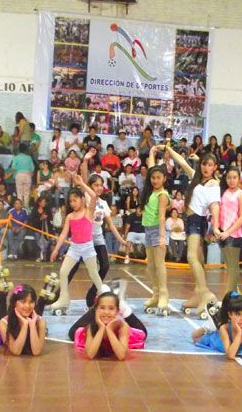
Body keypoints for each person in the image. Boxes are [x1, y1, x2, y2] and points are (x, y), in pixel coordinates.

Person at [161, 145, 220, 317]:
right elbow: (181, 161)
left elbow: (215, 206)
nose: (206, 168)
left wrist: (216, 226)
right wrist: (167, 148)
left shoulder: (213, 183)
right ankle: (197, 294)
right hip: (191, 221)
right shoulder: (196, 178)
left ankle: (206, 294)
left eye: (210, 165)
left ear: (215, 167)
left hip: (197, 221)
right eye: (204, 164)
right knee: (199, 261)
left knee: (191, 257)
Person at [65, 149, 128, 306]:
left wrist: (122, 240)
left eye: (101, 185)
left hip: (98, 238)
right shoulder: (87, 197)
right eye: (96, 185)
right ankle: (60, 295)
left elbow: (110, 224)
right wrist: (86, 160)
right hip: (83, 238)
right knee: (72, 268)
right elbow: (84, 177)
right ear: (90, 186)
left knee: (105, 266)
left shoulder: (104, 203)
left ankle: (92, 294)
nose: (99, 188)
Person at [47, 175, 105, 314]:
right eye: (70, 201)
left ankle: (105, 298)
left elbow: (93, 196)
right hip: (74, 248)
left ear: (83, 199)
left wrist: (82, 183)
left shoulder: (88, 212)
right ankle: (64, 299)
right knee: (63, 272)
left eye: (75, 200)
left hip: (88, 248)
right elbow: (63, 234)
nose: (72, 203)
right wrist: (56, 250)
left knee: (94, 274)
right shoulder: (70, 216)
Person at [71, 290, 147, 360]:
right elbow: (90, 355)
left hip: (121, 334)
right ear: (96, 310)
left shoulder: (123, 326)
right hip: (96, 319)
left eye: (111, 308)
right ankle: (103, 303)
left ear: (117, 312)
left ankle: (126, 310)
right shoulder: (90, 327)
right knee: (72, 333)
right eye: (102, 308)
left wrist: (109, 329)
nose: (106, 312)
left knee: (143, 334)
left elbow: (121, 356)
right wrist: (101, 328)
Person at [141, 146, 171, 315]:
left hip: (157, 231)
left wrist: (161, 237)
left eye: (158, 178)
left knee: (159, 265)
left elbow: (161, 217)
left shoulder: (163, 195)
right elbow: (152, 169)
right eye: (153, 177)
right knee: (150, 266)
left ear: (164, 179)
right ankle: (156, 294)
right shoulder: (151, 190)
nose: (155, 180)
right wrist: (152, 153)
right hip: (147, 229)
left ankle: (164, 295)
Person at [191, 291, 242, 360]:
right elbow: (230, 355)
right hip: (215, 341)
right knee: (195, 338)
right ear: (230, 314)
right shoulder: (224, 328)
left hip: (228, 344)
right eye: (238, 314)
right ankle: (208, 326)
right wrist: (239, 333)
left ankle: (213, 324)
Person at [218, 167, 242, 295]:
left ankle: (230, 294)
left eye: (234, 177)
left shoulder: (241, 194)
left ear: (239, 179)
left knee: (233, 266)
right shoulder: (223, 192)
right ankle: (237, 293)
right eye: (229, 178)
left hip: (234, 233)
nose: (231, 180)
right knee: (229, 265)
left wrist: (229, 232)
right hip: (222, 232)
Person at [0, 284, 47, 356]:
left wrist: (32, 325)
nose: (27, 306)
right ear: (15, 303)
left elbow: (36, 352)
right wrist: (25, 325)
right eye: (23, 301)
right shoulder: (3, 323)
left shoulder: (41, 322)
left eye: (31, 302)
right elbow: (16, 351)